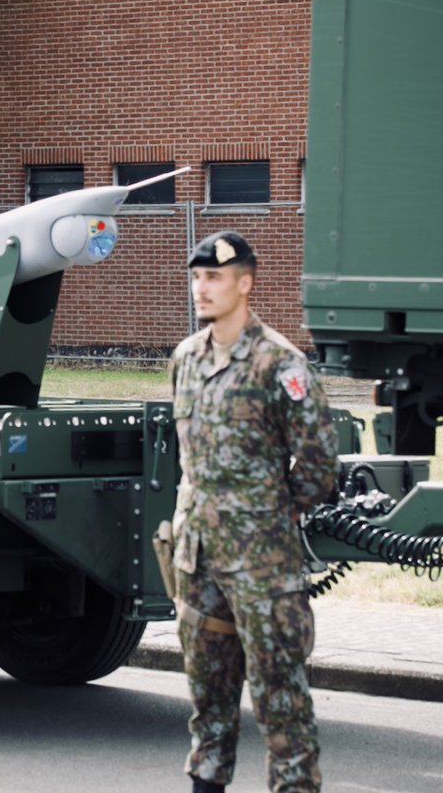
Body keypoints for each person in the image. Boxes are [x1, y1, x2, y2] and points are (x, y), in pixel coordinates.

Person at [168, 232, 339, 793]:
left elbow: (318, 466)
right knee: (208, 707)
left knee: (280, 704)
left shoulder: (279, 364)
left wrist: (268, 516)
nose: (202, 288)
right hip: (199, 563)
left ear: (246, 283)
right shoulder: (185, 360)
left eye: (214, 277)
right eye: (196, 277)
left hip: (262, 567)